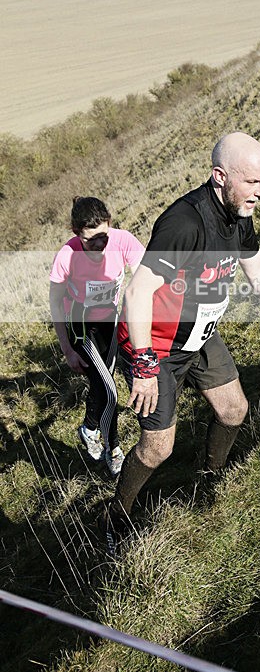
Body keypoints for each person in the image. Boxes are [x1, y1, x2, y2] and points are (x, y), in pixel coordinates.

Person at [102, 132, 260, 549]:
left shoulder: (238, 212)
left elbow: (254, 262)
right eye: (252, 182)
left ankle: (210, 481)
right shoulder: (184, 223)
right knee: (157, 448)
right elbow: (137, 293)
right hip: (155, 347)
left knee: (233, 411)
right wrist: (144, 367)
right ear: (219, 176)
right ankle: (114, 515)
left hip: (200, 336)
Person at [49, 197, 145, 477]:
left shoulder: (123, 240)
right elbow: (55, 303)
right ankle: (112, 449)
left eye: (104, 236)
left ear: (110, 225)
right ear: (76, 233)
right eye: (90, 240)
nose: (100, 245)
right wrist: (67, 349)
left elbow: (145, 275)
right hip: (81, 326)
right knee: (110, 391)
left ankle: (89, 427)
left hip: (110, 322)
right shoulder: (67, 255)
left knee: (102, 385)